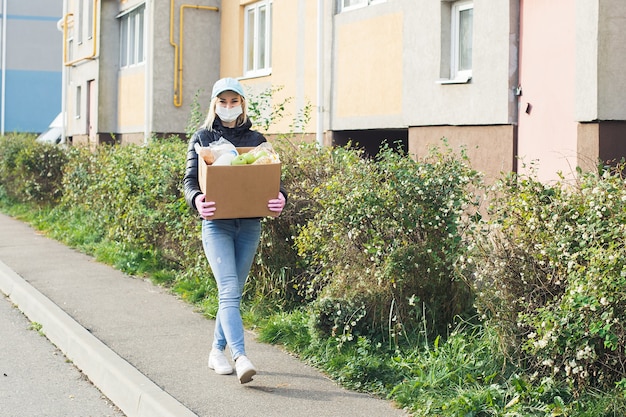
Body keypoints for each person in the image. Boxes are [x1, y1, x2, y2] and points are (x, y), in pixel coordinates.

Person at [183, 77, 287, 384]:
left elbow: (272, 179)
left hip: (250, 224)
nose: (229, 107)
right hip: (216, 224)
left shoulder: (257, 140)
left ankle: (216, 351)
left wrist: (281, 197)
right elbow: (190, 180)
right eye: (223, 102)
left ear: (242, 104)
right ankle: (241, 357)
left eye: (234, 101)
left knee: (233, 293)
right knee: (228, 290)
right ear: (214, 105)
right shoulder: (202, 138)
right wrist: (197, 200)